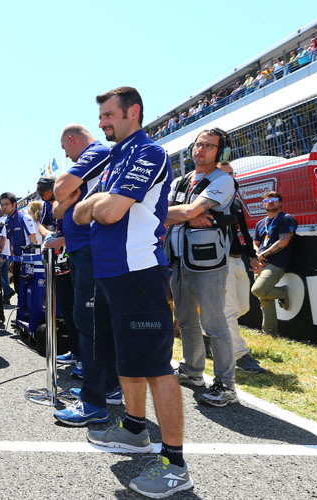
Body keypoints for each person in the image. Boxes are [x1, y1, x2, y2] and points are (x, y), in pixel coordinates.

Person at [74, 87, 192, 498]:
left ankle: (176, 465)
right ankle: (134, 429)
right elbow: (76, 210)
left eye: (108, 115)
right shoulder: (113, 158)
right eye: (101, 116)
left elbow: (105, 212)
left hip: (139, 275)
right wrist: (98, 203)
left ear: (133, 112)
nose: (103, 123)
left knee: (158, 368)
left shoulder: (149, 153)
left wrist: (99, 203)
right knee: (126, 361)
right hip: (110, 275)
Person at [49, 123, 120, 426]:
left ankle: (93, 401)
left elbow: (60, 191)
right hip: (84, 251)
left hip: (92, 250)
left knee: (89, 322)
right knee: (93, 322)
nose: (66, 154)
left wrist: (65, 199)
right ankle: (108, 386)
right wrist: (64, 202)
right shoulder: (93, 158)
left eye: (66, 149)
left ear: (72, 139)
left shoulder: (96, 152)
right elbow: (55, 209)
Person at [165, 129, 239, 407]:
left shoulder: (223, 180)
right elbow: (172, 213)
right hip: (178, 259)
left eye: (209, 146)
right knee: (185, 320)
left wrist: (184, 214)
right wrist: (187, 216)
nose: (201, 150)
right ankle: (193, 371)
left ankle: (226, 384)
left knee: (213, 322)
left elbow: (180, 212)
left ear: (220, 152)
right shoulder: (180, 180)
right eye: (198, 144)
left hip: (208, 261)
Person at [218, 162, 266, 374]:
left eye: (232, 174)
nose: (230, 178)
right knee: (228, 311)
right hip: (220, 260)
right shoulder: (212, 200)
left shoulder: (236, 202)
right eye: (225, 174)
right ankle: (240, 355)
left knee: (242, 308)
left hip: (238, 259)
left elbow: (245, 232)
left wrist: (251, 256)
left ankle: (209, 333)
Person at [251, 191, 297, 336]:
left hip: (277, 261)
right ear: (263, 204)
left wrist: (264, 254)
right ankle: (269, 333)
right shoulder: (260, 223)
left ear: (280, 202)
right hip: (261, 261)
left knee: (258, 290)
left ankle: (283, 292)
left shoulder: (286, 219)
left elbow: (283, 242)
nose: (270, 203)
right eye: (266, 201)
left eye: (274, 200)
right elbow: (255, 242)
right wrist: (258, 254)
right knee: (264, 299)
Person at [0, 192, 37, 295]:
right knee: (18, 289)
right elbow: (10, 242)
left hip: (29, 261)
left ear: (14, 204)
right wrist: (12, 261)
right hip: (17, 260)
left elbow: (33, 240)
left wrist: (33, 262)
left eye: (7, 204)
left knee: (29, 291)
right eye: (2, 205)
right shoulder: (7, 221)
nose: (4, 207)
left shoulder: (24, 217)